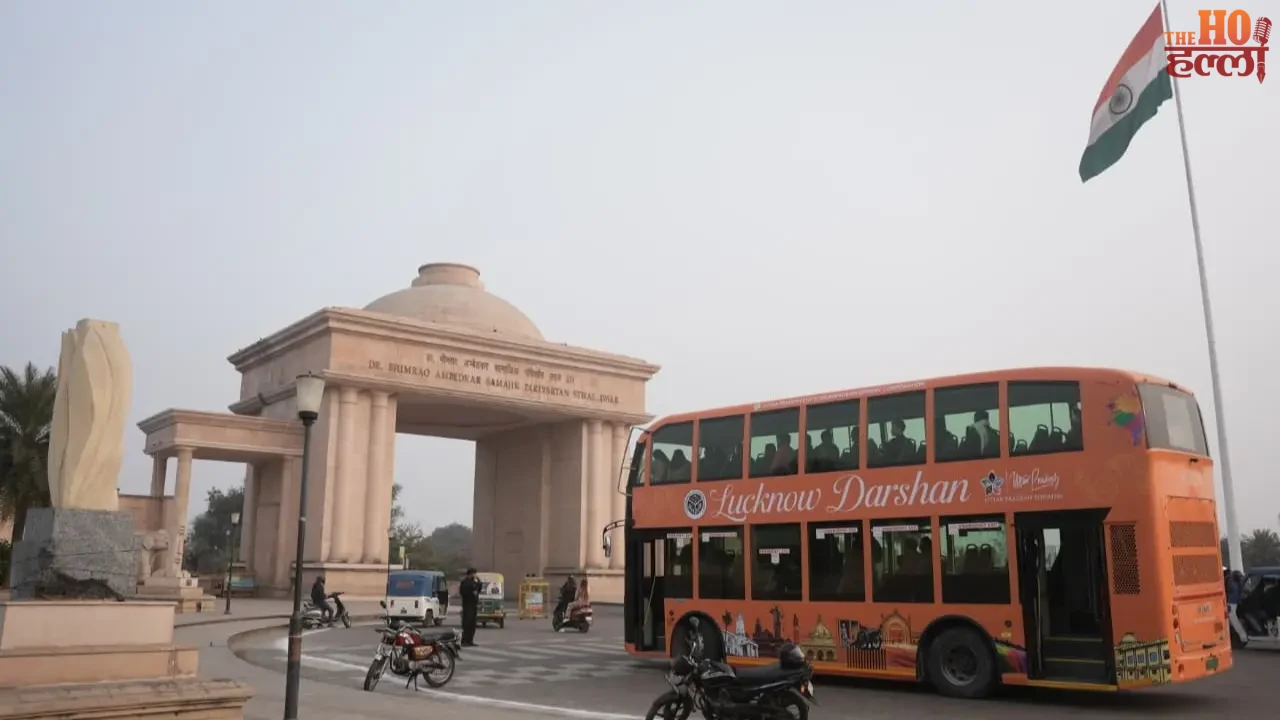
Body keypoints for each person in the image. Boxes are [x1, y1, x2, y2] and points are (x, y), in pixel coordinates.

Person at [459, 567, 481, 647]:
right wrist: (472, 591)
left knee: (472, 624)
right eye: (474, 573)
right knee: (467, 623)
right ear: (470, 573)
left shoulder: (474, 581)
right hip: (467, 605)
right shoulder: (465, 582)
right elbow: (463, 592)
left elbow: (478, 588)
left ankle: (470, 640)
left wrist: (478, 581)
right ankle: (465, 640)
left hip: (473, 604)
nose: (475, 575)